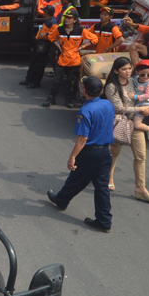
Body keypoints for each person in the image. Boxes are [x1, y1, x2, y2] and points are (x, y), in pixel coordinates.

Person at [47, 75, 115, 232]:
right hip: (105, 152)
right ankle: (104, 221)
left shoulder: (85, 111)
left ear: (84, 90)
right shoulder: (108, 104)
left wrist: (72, 156)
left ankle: (62, 200)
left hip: (90, 153)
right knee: (101, 187)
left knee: (76, 179)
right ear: (101, 90)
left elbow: (83, 138)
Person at [103, 57, 149, 203]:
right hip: (120, 122)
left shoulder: (134, 81)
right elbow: (119, 108)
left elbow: (143, 96)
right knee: (115, 151)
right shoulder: (111, 87)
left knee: (141, 156)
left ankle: (140, 188)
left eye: (129, 68)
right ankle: (109, 176)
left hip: (135, 122)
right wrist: (140, 109)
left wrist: (147, 108)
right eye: (124, 69)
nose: (128, 72)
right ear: (116, 70)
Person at [43, 8, 95, 108]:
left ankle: (68, 100)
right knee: (56, 81)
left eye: (69, 18)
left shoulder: (81, 30)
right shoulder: (60, 29)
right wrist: (58, 46)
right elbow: (51, 37)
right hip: (62, 60)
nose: (67, 20)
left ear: (75, 20)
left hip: (74, 61)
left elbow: (94, 39)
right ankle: (51, 98)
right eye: (66, 18)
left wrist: (82, 47)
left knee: (72, 83)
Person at [130, 60, 149, 140]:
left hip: (143, 105)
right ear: (137, 72)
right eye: (143, 74)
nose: (146, 76)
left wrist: (135, 97)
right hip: (135, 104)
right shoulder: (135, 79)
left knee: (137, 124)